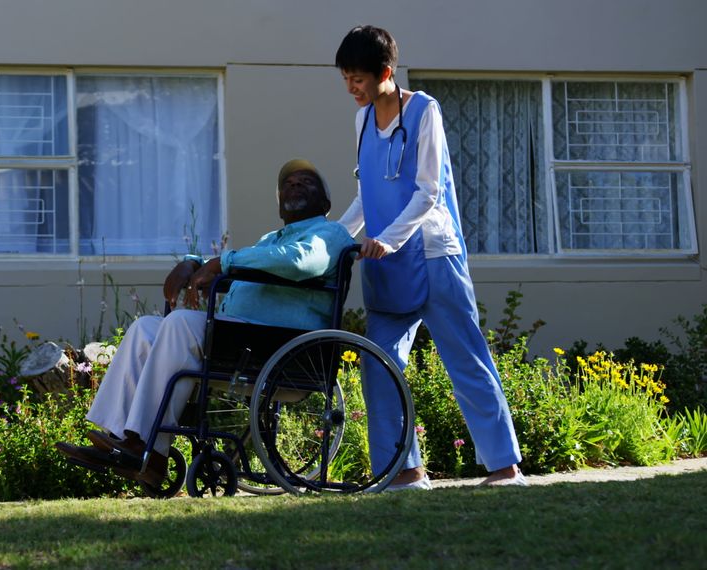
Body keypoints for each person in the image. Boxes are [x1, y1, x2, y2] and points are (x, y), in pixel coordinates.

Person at [56, 159, 354, 485]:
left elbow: (299, 263)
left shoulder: (330, 233)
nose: (294, 185)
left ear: (325, 204)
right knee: (145, 328)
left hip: (280, 348)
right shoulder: (272, 239)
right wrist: (193, 264)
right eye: (288, 183)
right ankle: (119, 438)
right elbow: (244, 264)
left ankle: (149, 448)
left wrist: (221, 261)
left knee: (182, 324)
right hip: (240, 339)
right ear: (280, 205)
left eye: (306, 182)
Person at [334, 25, 526, 488]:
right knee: (379, 364)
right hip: (385, 261)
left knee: (465, 359)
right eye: (345, 79)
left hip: (433, 255)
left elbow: (429, 191)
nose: (352, 88)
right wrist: (335, 238)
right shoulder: (361, 122)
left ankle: (505, 468)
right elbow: (366, 196)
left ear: (385, 72)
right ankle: (406, 470)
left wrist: (390, 239)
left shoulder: (424, 111)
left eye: (358, 78)